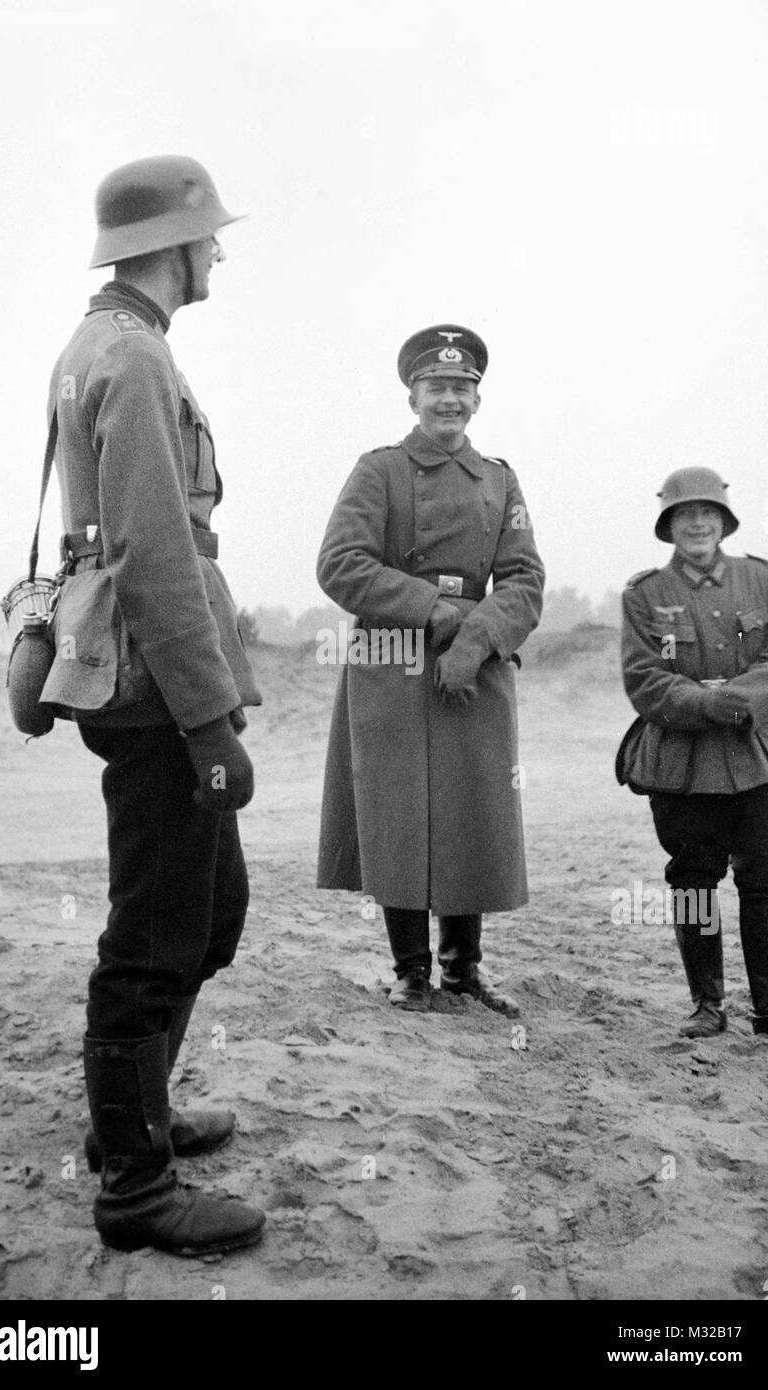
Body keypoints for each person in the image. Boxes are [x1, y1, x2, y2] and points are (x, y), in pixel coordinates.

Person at [39, 156, 265, 1254]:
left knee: (208, 913)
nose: (218, 249)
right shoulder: (131, 358)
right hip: (150, 686)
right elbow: (151, 551)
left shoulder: (104, 344)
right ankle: (133, 1186)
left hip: (131, 674)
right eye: (208, 235)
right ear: (172, 244)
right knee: (153, 937)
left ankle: (139, 1117)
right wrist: (208, 719)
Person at [316, 325, 545, 1014]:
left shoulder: (499, 480)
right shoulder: (379, 470)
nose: (448, 399)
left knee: (470, 809)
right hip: (391, 666)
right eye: (436, 387)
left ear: (476, 399)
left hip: (473, 671)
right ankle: (410, 970)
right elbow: (340, 565)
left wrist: (475, 642)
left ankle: (463, 969)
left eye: (461, 388)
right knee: (399, 813)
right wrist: (441, 613)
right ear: (412, 395)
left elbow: (525, 579)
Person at [619, 467, 768, 1044]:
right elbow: (643, 680)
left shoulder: (760, 579)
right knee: (693, 881)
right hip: (680, 763)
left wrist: (738, 702)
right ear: (668, 525)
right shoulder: (645, 594)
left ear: (723, 521)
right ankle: (706, 1007)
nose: (697, 523)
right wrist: (703, 704)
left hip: (757, 756)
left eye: (708, 513)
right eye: (685, 515)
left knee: (765, 882)